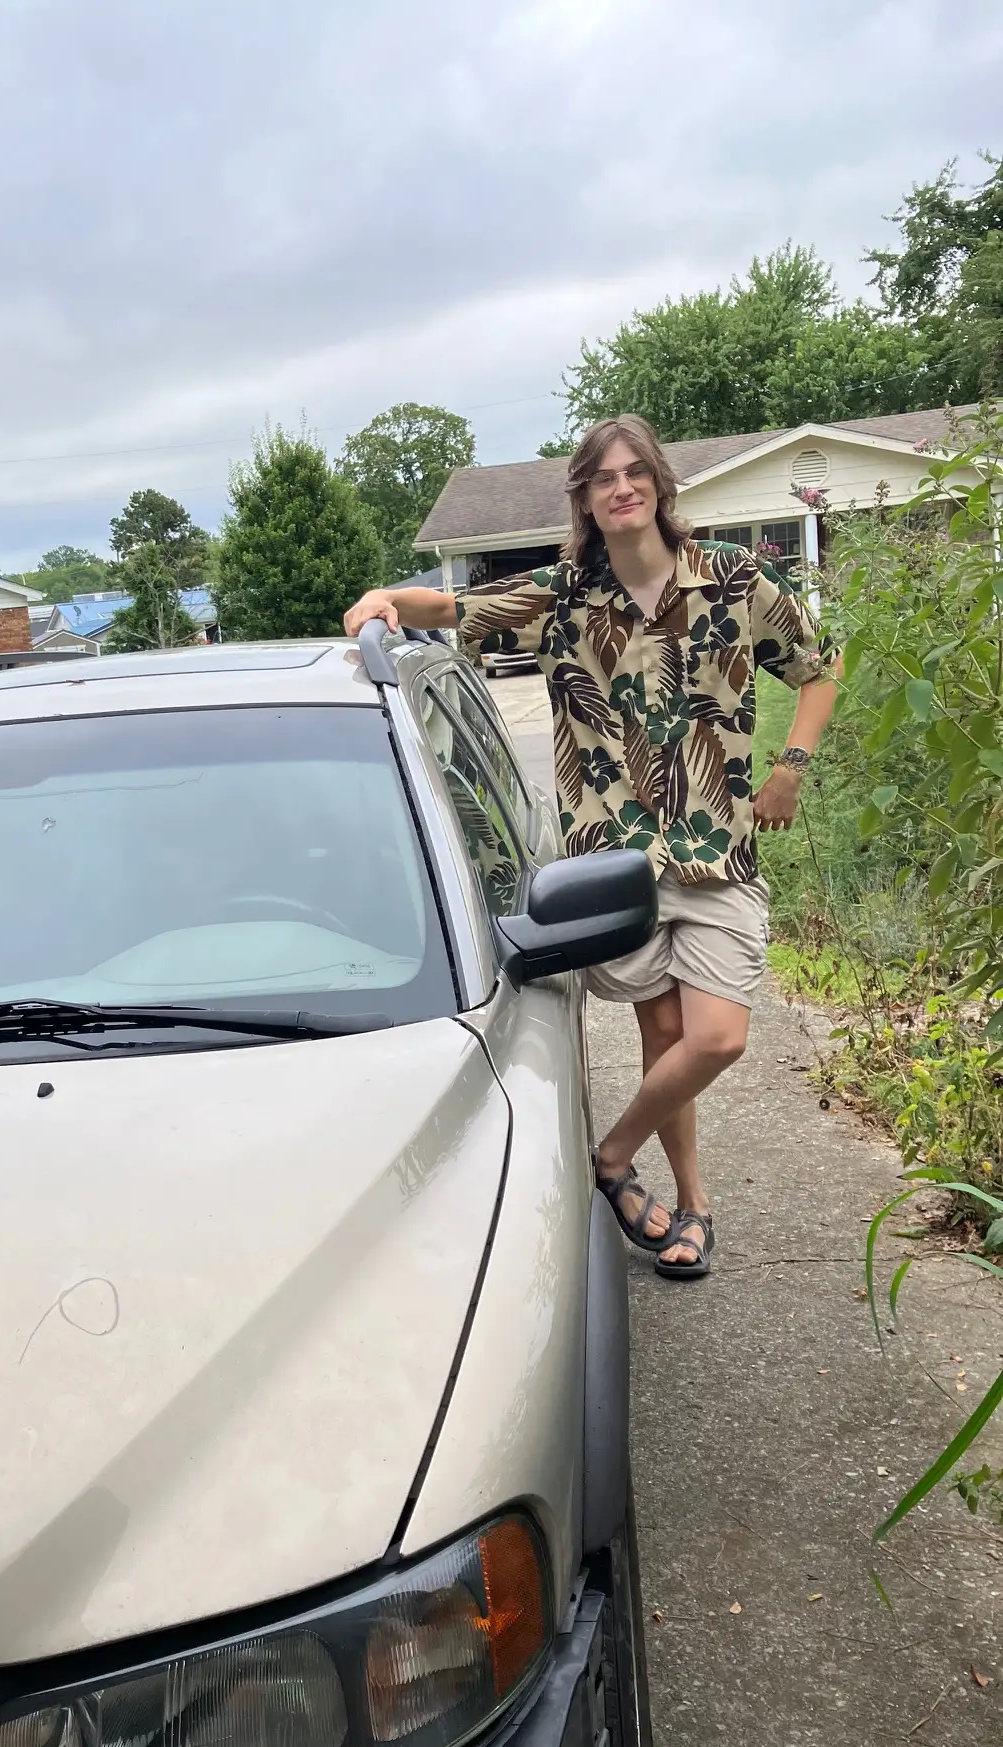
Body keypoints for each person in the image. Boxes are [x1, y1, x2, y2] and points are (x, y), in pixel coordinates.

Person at [343, 413, 839, 1280]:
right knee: (664, 1041)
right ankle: (693, 1206)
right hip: (617, 858)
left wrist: (791, 766)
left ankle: (608, 1158)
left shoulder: (733, 578)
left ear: (658, 483)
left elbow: (818, 667)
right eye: (603, 477)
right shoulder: (566, 592)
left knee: (716, 1038)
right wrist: (387, 601)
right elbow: (455, 608)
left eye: (634, 472)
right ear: (585, 496)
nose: (622, 488)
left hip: (720, 848)